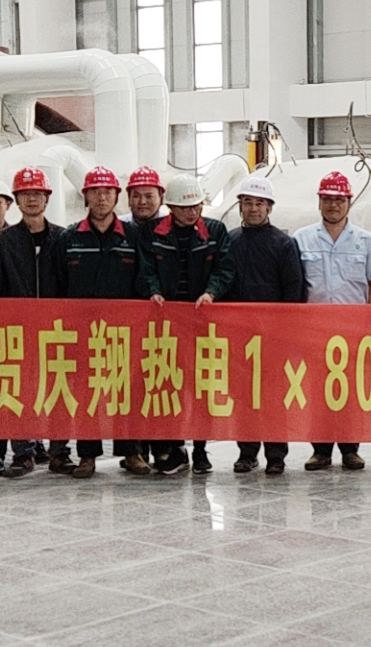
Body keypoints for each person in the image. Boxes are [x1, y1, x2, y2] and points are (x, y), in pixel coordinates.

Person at [44, 165, 140, 478]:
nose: (101, 198)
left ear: (117, 196)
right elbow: (57, 285)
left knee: (125, 390)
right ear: (85, 197)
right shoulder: (69, 237)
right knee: (87, 392)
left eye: (107, 192)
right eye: (94, 192)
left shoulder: (133, 236)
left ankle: (132, 452)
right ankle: (87, 455)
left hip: (124, 331)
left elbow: (143, 280)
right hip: (81, 332)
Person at [137, 174, 236, 476]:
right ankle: (174, 448)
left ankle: (201, 449)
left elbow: (225, 268)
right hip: (164, 325)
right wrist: (153, 291)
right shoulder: (152, 232)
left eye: (197, 206)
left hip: (202, 322)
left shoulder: (215, 231)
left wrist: (211, 293)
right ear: (170, 207)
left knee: (201, 387)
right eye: (185, 207)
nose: (193, 212)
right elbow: (146, 268)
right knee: (168, 384)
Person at [294, 171, 371, 471]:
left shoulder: (366, 241)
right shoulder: (301, 239)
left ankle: (350, 449)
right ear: (319, 202)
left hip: (353, 330)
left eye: (339, 200)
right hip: (314, 330)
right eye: (328, 199)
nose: (333, 205)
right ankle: (320, 450)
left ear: (349, 203)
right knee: (318, 391)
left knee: (350, 392)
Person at [0, 166, 66, 478]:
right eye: (25, 194)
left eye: (37, 194)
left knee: (58, 388)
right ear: (16, 200)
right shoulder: (2, 241)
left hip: (56, 331)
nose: (32, 199)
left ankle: (59, 452)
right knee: (19, 389)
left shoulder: (63, 237)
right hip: (16, 331)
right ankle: (23, 452)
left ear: (47, 198)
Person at [226, 176, 306, 475]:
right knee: (244, 396)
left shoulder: (283, 244)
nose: (253, 208)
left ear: (269, 208)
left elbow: (294, 288)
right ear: (240, 206)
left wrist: (285, 330)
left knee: (274, 396)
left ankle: (276, 455)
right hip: (240, 335)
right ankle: (247, 453)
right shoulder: (230, 241)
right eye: (248, 202)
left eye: (260, 203)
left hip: (274, 336)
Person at [112, 165, 166, 471]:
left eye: (148, 195)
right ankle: (132, 451)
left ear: (161, 197)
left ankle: (165, 448)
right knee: (128, 386)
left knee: (161, 382)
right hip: (126, 322)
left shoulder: (172, 227)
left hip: (163, 321)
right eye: (136, 196)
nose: (142, 201)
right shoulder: (120, 228)